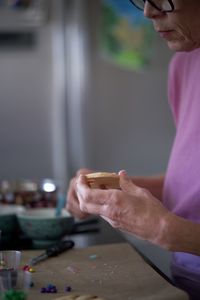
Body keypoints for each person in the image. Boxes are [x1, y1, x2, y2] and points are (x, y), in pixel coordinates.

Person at [66, 1, 200, 299]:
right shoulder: (185, 63)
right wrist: (110, 188)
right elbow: (190, 183)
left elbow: (172, 226)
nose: (148, 12)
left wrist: (167, 230)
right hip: (184, 281)